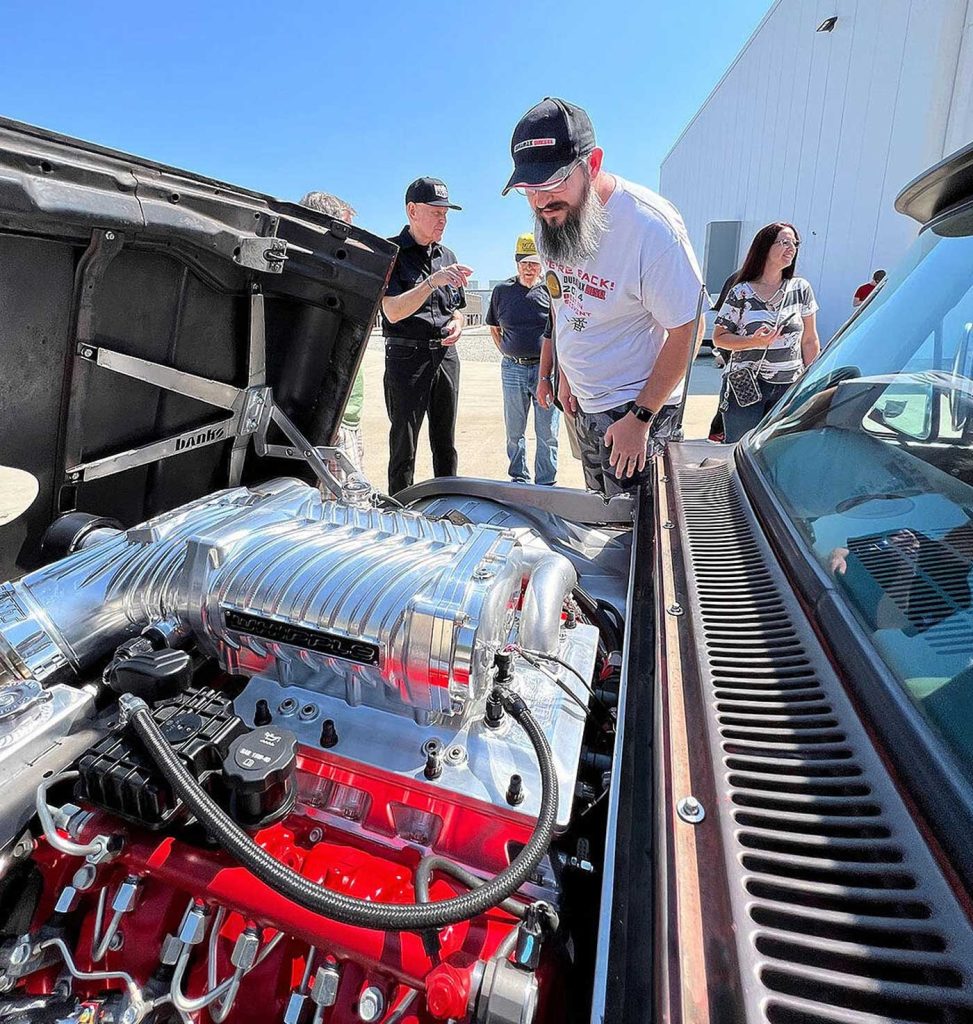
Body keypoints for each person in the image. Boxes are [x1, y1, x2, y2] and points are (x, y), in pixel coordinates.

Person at [502, 97, 704, 496]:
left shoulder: (651, 229)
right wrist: (563, 373)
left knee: (636, 538)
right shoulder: (552, 221)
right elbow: (562, 303)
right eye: (529, 188)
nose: (541, 201)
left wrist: (641, 418)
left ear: (592, 165)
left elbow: (690, 330)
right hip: (583, 403)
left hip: (637, 408)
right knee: (598, 512)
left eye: (554, 182)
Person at [381, 177, 472, 495]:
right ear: (412, 211)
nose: (443, 219)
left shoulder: (448, 256)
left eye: (446, 213)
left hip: (445, 356)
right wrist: (431, 283)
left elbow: (458, 308)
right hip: (407, 357)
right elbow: (391, 311)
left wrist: (458, 323)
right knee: (404, 444)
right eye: (436, 212)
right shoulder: (390, 254)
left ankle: (446, 504)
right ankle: (399, 508)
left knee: (445, 442)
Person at [713, 222, 820, 443]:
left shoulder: (800, 289)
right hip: (746, 385)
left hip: (789, 385)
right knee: (739, 448)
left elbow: (809, 340)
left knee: (778, 449)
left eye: (794, 243)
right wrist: (754, 341)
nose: (791, 248)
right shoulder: (741, 291)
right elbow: (719, 338)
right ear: (765, 247)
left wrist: (812, 380)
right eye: (784, 242)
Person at [299, 191, 365, 478]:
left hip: (348, 418)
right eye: (345, 233)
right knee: (347, 507)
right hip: (334, 424)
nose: (351, 243)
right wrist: (331, 420)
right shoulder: (320, 285)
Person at [486, 233, 560, 485]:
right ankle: (519, 478)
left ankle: (546, 483)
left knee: (547, 431)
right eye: (524, 263)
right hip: (512, 371)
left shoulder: (550, 292)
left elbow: (560, 330)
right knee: (514, 431)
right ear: (516, 263)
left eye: (534, 263)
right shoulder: (502, 291)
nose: (529, 268)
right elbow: (494, 327)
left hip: (545, 371)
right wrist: (508, 352)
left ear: (542, 264)